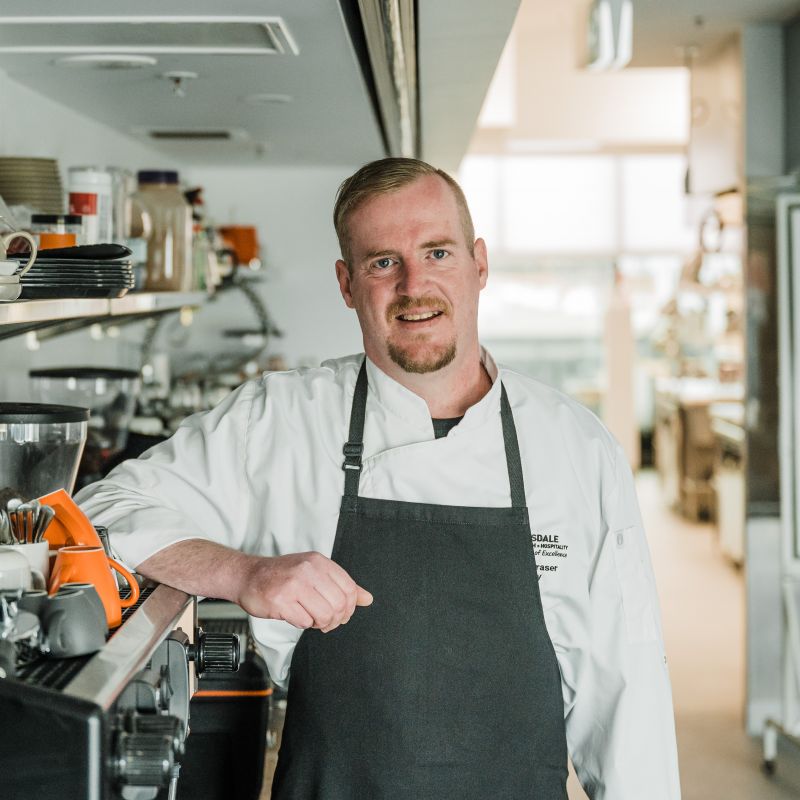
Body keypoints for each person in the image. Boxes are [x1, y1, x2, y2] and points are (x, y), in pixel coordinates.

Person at [77, 157, 681, 799]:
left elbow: (627, 694)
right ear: (346, 282)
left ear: (480, 265)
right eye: (382, 262)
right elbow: (99, 510)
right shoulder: (282, 418)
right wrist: (244, 573)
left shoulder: (576, 447)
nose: (414, 285)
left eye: (438, 252)